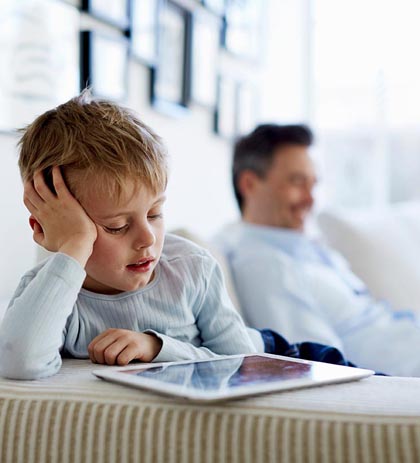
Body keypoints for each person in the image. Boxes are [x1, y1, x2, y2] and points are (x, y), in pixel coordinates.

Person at [0, 93, 358, 380]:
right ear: (50, 230)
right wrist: (73, 246)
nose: (147, 239)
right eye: (117, 226)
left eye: (155, 214)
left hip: (277, 348)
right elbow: (19, 360)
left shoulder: (192, 267)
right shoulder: (53, 293)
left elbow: (242, 361)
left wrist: (157, 348)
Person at [213, 123, 420, 377]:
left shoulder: (300, 244)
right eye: (297, 182)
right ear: (249, 183)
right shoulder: (262, 263)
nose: (311, 199)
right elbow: (319, 365)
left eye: (313, 184)